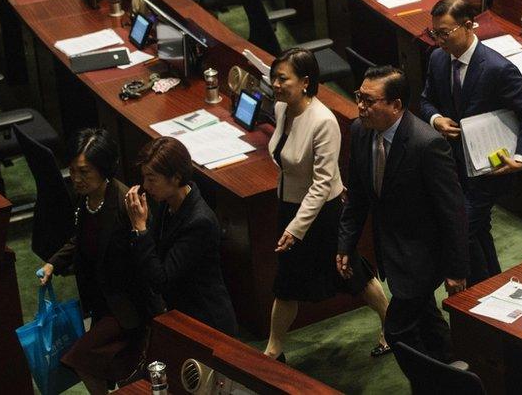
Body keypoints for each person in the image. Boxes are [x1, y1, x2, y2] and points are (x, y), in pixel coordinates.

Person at [264, 48, 391, 362]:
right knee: (288, 281)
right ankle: (273, 348)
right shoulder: (282, 109)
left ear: (305, 81)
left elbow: (321, 184)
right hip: (289, 207)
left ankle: (391, 325)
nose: (275, 84)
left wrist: (296, 229)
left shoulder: (324, 122)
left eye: (283, 78)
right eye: (274, 77)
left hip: (322, 212)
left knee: (350, 271)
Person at [338, 66, 469, 363]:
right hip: (391, 249)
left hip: (424, 254)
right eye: (360, 96)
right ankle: (456, 373)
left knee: (397, 330)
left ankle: (430, 381)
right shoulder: (360, 132)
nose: (360, 106)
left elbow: (453, 212)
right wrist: (346, 243)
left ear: (396, 105)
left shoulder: (427, 144)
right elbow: (358, 196)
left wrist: (456, 269)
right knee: (427, 322)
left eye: (369, 101)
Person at [419, 0, 522, 286]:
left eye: (445, 33)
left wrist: (521, 159)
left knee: (459, 232)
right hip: (452, 165)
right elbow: (425, 101)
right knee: (477, 233)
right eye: (435, 33)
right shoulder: (438, 58)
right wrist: (436, 119)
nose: (439, 40)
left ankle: (466, 290)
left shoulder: (497, 68)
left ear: (468, 26)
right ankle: (491, 289)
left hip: (488, 169)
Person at [37, 129, 147, 394]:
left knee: (79, 358)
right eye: (73, 171)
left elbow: (144, 256)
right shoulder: (87, 199)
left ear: (104, 169)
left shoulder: (124, 203)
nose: (76, 179)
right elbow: (80, 237)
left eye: (84, 172)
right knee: (105, 367)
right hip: (100, 302)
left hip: (127, 308)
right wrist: (53, 263)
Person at [125, 137, 238, 335]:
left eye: (151, 179)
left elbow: (162, 279)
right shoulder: (167, 203)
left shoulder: (199, 222)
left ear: (176, 178)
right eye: (144, 178)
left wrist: (140, 228)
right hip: (182, 314)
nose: (145, 185)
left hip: (207, 322)